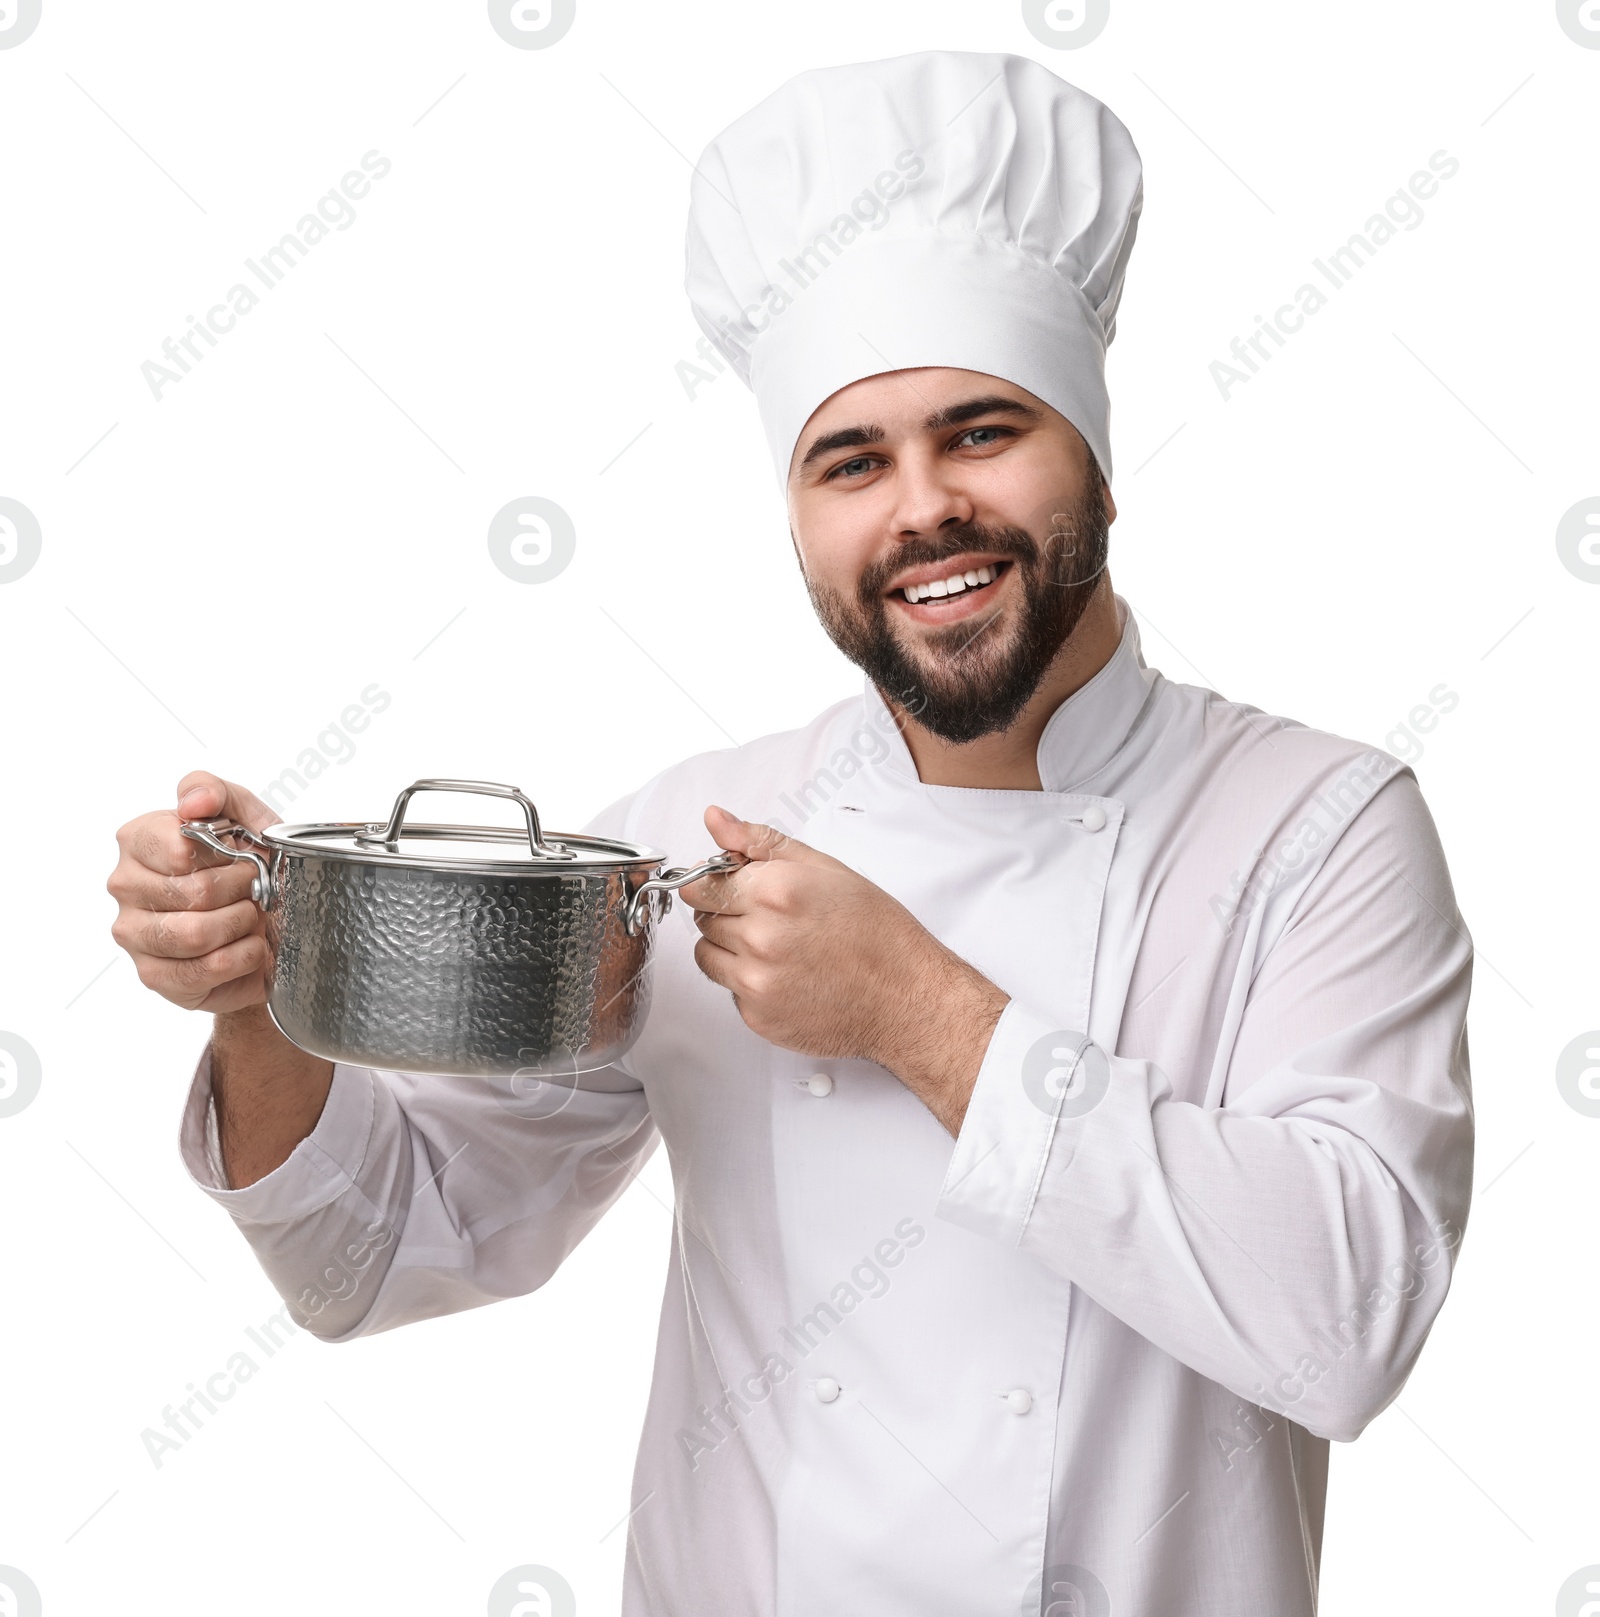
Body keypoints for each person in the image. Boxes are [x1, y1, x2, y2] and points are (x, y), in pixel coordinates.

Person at [107, 51, 1474, 1617]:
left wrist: (917, 1009)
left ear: (1091, 455)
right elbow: (380, 1255)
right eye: (852, 461)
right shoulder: (690, 836)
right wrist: (267, 1001)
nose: (922, 511)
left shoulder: (1316, 829)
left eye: (981, 431)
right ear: (797, 516)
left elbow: (1348, 1319)